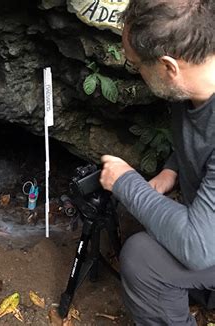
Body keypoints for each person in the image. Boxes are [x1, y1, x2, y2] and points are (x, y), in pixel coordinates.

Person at [99, 0, 215, 324]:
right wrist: (171, 169)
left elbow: (199, 245)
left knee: (141, 258)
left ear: (169, 67)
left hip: (207, 241)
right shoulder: (198, 80)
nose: (135, 70)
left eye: (136, 64)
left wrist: (125, 181)